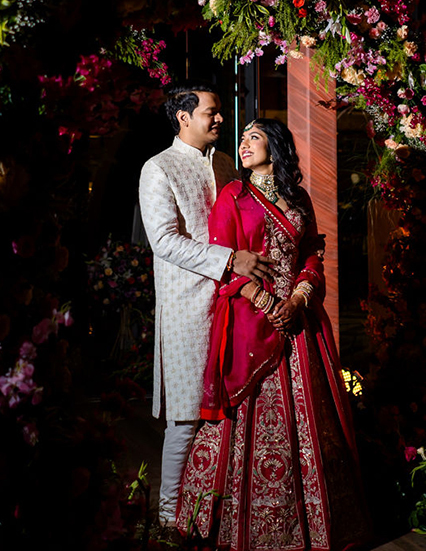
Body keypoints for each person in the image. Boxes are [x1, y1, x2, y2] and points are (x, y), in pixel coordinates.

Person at [176, 117, 370, 551]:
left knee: (312, 424)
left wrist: (298, 300)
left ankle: (315, 528)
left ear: (275, 145)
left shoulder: (298, 197)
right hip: (250, 319)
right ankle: (237, 527)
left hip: (300, 322)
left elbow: (311, 255)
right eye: (242, 138)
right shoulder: (234, 196)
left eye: (255, 137)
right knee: (246, 421)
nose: (244, 144)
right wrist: (265, 303)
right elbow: (220, 260)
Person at [138, 84, 273, 526]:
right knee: (185, 415)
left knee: (231, 408)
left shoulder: (224, 166)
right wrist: (230, 259)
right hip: (187, 307)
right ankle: (168, 518)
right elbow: (164, 241)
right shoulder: (158, 168)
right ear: (183, 117)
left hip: (234, 301)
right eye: (211, 113)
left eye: (218, 113)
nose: (219, 120)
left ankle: (218, 514)